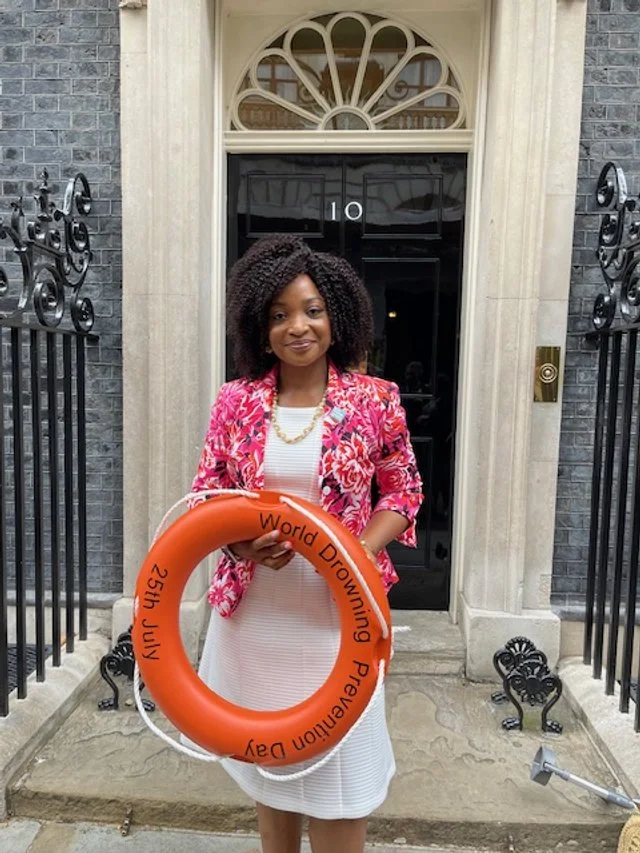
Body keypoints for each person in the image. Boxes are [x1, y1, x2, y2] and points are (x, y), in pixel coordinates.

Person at [189, 234, 423, 853]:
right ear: (258, 326)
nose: (298, 326)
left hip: (336, 617)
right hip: (260, 616)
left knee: (343, 781)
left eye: (312, 310)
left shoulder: (375, 400)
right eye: (280, 314)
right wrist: (241, 546)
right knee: (275, 770)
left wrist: (353, 551)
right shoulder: (234, 402)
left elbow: (403, 495)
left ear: (336, 316)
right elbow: (207, 498)